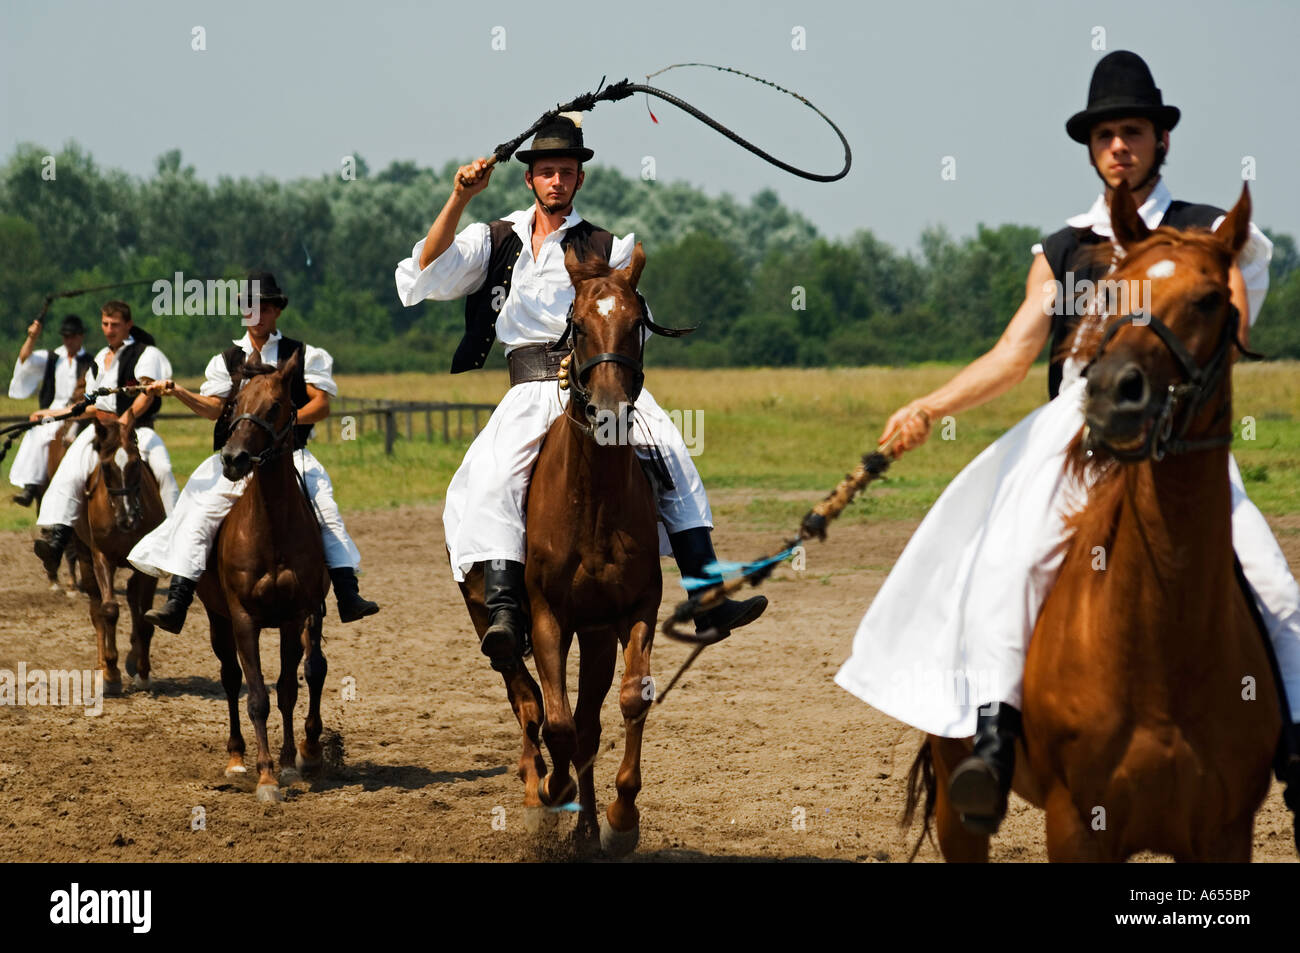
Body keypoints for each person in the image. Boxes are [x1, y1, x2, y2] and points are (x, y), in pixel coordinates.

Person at [834, 50, 1299, 833]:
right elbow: (1016, 353)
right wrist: (929, 403)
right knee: (1008, 559)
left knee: (1276, 584)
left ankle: (1293, 749)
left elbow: (1234, 329)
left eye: (1135, 132)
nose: (1121, 145)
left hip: (1180, 435)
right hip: (1074, 430)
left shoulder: (1206, 234)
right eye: (1108, 134)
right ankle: (991, 736)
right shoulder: (1066, 245)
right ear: (1092, 147)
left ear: (1161, 142)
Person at [394, 113, 767, 671]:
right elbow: (423, 272)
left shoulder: (606, 245)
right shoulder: (495, 238)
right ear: (530, 180)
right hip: (528, 389)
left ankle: (706, 598)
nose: (556, 182)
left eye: (566, 172)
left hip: (597, 385)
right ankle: (504, 611)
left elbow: (629, 315)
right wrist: (459, 198)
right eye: (547, 172)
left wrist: (605, 364)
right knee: (493, 477)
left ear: (579, 180)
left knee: (672, 455)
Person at [128, 272, 379, 630]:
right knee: (198, 512)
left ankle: (347, 593)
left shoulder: (303, 354)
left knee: (326, 509)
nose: (255, 315)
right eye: (249, 307)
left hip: (292, 455)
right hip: (236, 459)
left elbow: (321, 406)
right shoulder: (226, 360)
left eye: (263, 307)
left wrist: (286, 428)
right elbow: (215, 408)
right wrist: (178, 392)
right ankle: (178, 600)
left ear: (277, 310)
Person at [33, 300, 180, 572]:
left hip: (138, 430)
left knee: (164, 469)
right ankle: (58, 539)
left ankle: (175, 541)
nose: (109, 330)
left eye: (115, 325)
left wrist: (127, 419)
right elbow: (90, 405)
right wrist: (53, 413)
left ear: (128, 325)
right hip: (100, 432)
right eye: (105, 324)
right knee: (69, 471)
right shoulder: (100, 357)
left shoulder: (145, 353)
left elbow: (147, 393)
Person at [7, 313, 91, 506]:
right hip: (53, 410)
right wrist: (32, 337)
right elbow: (25, 359)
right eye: (65, 337)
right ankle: (30, 485)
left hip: (80, 412)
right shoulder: (53, 357)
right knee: (37, 434)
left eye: (72, 336)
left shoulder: (90, 361)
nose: (68, 341)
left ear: (80, 336)